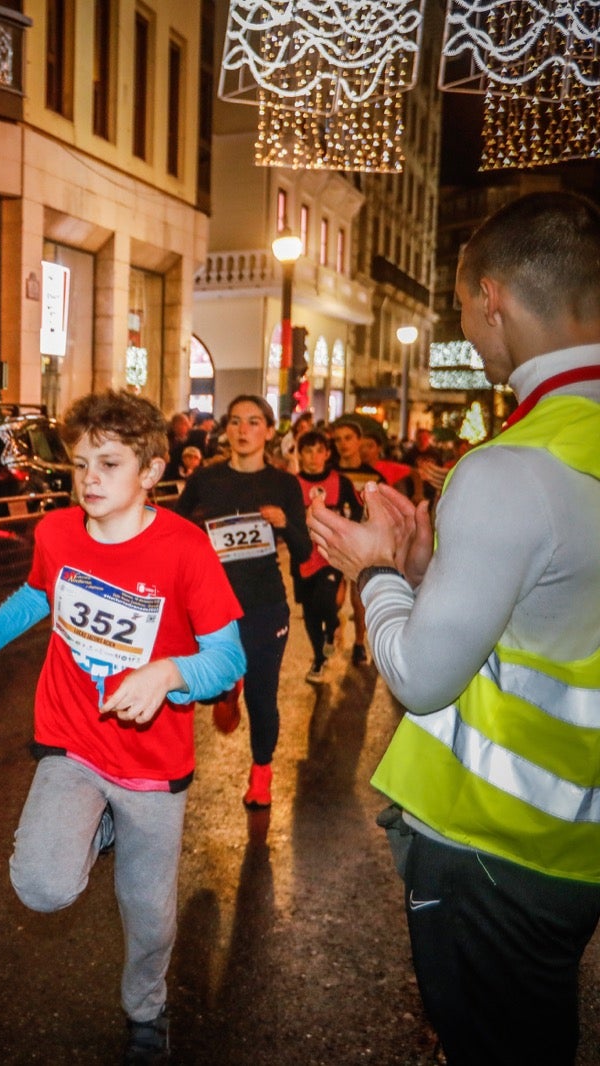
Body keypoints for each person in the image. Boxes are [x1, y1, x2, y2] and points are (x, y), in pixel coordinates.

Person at [307, 191, 600, 1066]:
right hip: (577, 839)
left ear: (491, 299)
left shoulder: (515, 464)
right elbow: (555, 608)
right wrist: (437, 573)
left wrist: (380, 571)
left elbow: (423, 677)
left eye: (468, 310)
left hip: (495, 846)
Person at [0, 390, 244, 1065]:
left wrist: (167, 675)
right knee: (41, 887)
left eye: (109, 463)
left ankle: (146, 1014)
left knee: (147, 910)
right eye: (79, 464)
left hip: (155, 766)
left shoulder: (185, 549)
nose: (90, 479)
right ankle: (94, 825)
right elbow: (41, 593)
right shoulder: (59, 532)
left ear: (151, 470)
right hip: (74, 740)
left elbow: (227, 657)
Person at [171, 394, 311, 808]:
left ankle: (261, 774)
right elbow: (176, 530)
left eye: (253, 422)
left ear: (269, 431)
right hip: (210, 606)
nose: (243, 430)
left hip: (265, 605)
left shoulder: (284, 484)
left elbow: (303, 552)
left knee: (263, 696)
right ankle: (226, 688)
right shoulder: (206, 480)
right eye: (235, 421)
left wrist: (286, 523)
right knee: (201, 687)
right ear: (225, 429)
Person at [291, 429, 362, 683]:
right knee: (309, 610)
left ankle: (332, 627)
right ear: (300, 454)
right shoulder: (292, 483)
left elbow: (357, 508)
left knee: (325, 600)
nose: (313, 457)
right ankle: (318, 659)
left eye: (319, 451)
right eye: (307, 451)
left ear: (327, 453)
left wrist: (345, 532)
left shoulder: (340, 482)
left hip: (330, 554)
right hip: (301, 555)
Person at [327, 416, 383, 664]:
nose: (343, 444)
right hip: (331, 542)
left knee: (358, 597)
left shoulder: (374, 477)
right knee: (331, 597)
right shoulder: (329, 473)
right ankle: (331, 631)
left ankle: (359, 642)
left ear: (359, 441)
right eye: (338, 439)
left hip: (362, 544)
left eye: (348, 438)